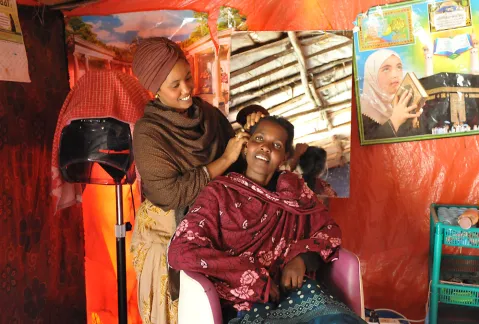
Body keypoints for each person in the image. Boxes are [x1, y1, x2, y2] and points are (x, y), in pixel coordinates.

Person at [167, 116, 364, 323]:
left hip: (295, 293)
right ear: (246, 146)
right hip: (241, 301)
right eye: (259, 138)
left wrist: (302, 258)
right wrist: (253, 279)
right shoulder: (219, 193)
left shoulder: (296, 192)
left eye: (276, 145)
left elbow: (328, 230)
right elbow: (181, 250)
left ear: (285, 157)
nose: (265, 147)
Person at [129, 37, 262, 324]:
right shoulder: (148, 133)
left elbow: (238, 167)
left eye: (188, 78)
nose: (187, 89)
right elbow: (170, 193)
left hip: (218, 234)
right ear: (154, 89)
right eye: (174, 85)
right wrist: (223, 161)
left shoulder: (209, 116)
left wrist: (249, 135)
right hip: (169, 238)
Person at [360, 48, 423, 139]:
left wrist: (414, 119)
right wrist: (395, 121)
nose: (395, 75)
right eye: (386, 69)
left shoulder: (404, 101)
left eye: (399, 67)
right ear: (371, 76)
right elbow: (369, 148)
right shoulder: (363, 110)